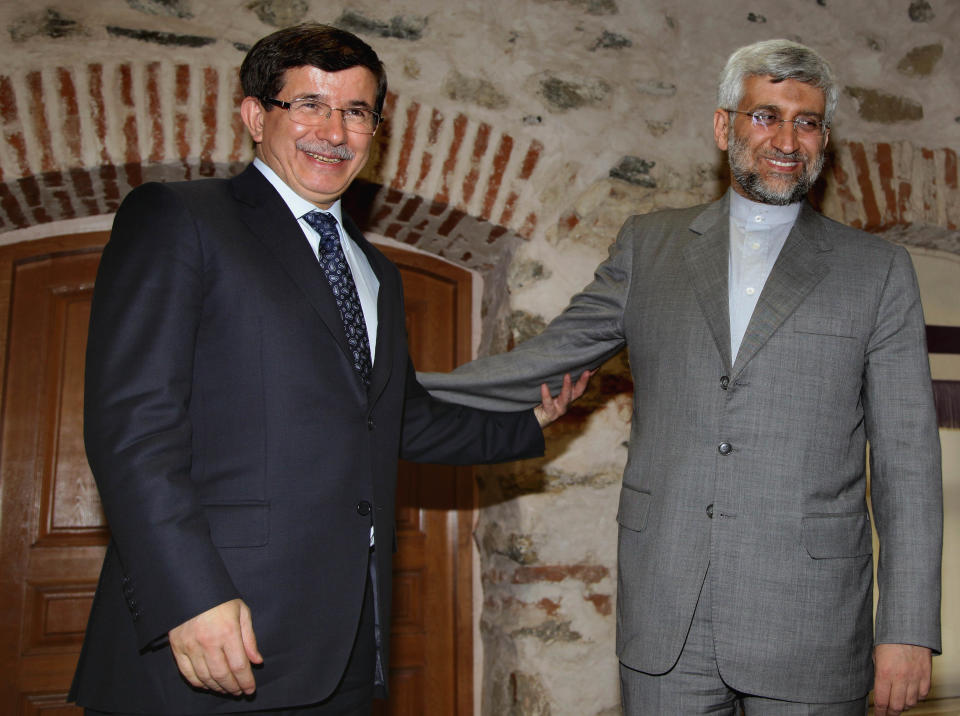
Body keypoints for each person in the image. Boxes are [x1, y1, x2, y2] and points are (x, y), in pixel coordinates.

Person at [70, 23, 588, 715]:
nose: (333, 131)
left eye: (355, 112)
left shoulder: (376, 271)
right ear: (256, 116)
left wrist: (527, 423)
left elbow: (401, 421)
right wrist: (189, 598)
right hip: (213, 636)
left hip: (345, 645)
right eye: (308, 104)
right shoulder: (180, 219)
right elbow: (132, 426)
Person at [420, 39, 942, 716]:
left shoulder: (877, 271)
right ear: (724, 126)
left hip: (809, 619)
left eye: (806, 121)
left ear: (824, 139)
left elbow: (908, 464)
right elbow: (551, 356)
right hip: (667, 618)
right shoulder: (649, 245)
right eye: (765, 116)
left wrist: (906, 628)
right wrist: (402, 394)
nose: (786, 139)